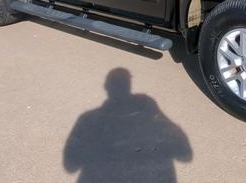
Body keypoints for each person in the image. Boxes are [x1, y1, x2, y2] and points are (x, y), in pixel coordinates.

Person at [64, 68, 192, 182]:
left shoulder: (89, 120)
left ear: (106, 87)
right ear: (129, 86)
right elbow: (185, 154)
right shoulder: (154, 119)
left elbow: (70, 165)